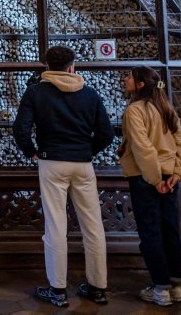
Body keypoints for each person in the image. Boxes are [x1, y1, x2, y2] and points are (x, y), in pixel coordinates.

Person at [13, 46, 114, 308]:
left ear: (47, 66)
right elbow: (106, 133)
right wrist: (86, 151)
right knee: (93, 226)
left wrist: (32, 152)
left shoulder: (36, 93)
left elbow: (20, 129)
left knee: (56, 226)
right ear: (72, 67)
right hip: (83, 165)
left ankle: (57, 289)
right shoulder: (90, 94)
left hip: (52, 162)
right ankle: (97, 288)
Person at [119, 66, 181, 307]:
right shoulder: (166, 108)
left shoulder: (135, 110)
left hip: (146, 178)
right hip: (169, 178)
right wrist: (178, 173)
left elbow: (143, 149)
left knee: (150, 232)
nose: (125, 79)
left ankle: (160, 289)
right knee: (169, 229)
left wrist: (155, 180)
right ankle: (175, 286)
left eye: (130, 76)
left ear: (140, 84)